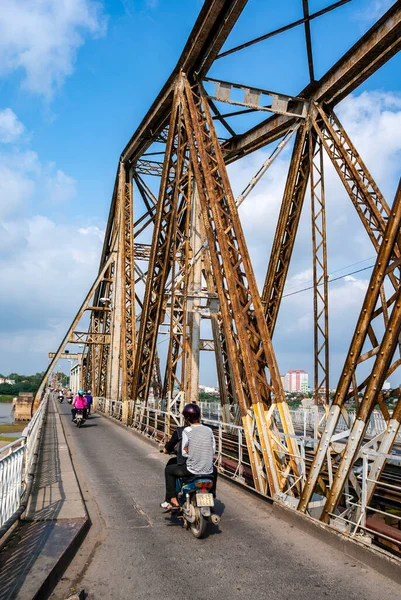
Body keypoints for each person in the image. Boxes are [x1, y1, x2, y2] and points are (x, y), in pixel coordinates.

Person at [161, 403, 215, 511]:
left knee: (169, 470)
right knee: (215, 470)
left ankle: (172, 499)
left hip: (192, 469)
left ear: (186, 418)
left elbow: (185, 451)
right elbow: (213, 449)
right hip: (208, 469)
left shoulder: (187, 430)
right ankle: (212, 496)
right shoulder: (209, 430)